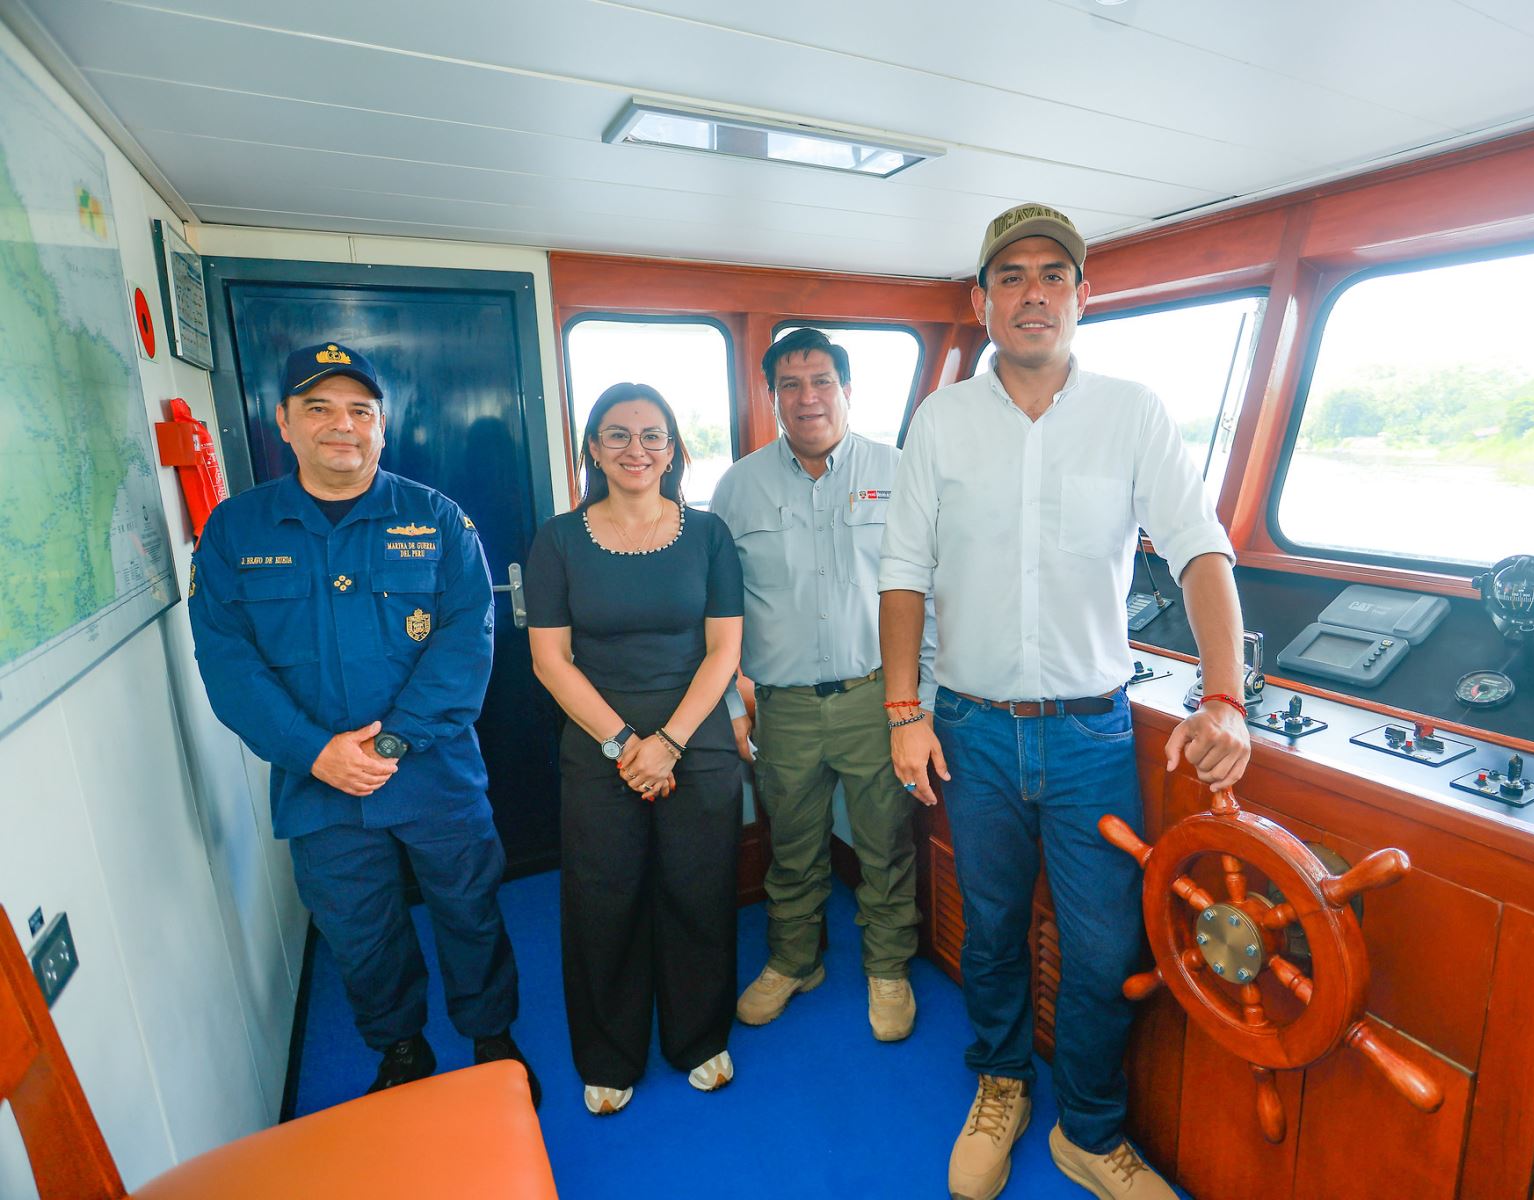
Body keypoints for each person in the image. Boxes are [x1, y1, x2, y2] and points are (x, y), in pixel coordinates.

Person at [878, 204, 1252, 1200]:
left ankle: (1087, 1129)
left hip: (1092, 733)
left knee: (1106, 945)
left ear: (1083, 297)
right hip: (971, 729)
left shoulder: (1134, 413)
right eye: (1011, 276)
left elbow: (1200, 549)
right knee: (992, 926)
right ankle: (1000, 1083)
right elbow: (904, 572)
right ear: (981, 300)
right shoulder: (941, 420)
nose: (1033, 292)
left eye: (1053, 275)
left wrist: (1226, 698)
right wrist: (902, 712)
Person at [189, 341, 538, 1105]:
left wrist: (387, 743)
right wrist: (315, 752)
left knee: (470, 910)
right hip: (318, 788)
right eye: (318, 408)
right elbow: (228, 664)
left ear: (383, 426)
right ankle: (402, 1047)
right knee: (359, 933)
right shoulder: (235, 532)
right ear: (284, 421)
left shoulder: (438, 520)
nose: (340, 426)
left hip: (434, 772)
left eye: (359, 411)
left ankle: (491, 1036)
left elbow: (463, 643)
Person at [524, 382, 745, 1117]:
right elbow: (551, 661)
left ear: (674, 449)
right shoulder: (557, 539)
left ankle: (698, 1036)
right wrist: (625, 744)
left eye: (652, 435)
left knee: (699, 889)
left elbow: (723, 650)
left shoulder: (709, 535)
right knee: (603, 897)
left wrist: (671, 742)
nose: (635, 450)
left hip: (697, 737)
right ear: (592, 448)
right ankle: (609, 1052)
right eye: (616, 435)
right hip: (599, 743)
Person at [712, 328, 935, 1043]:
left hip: (879, 700)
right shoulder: (737, 488)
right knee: (794, 845)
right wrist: (730, 706)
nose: (807, 398)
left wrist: (918, 706)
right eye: (790, 385)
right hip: (785, 708)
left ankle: (888, 968)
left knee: (884, 844)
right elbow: (716, 613)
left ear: (845, 389)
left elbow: (930, 594)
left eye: (821, 382)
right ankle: (793, 960)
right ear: (773, 395)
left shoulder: (900, 471)